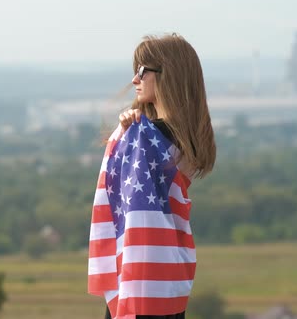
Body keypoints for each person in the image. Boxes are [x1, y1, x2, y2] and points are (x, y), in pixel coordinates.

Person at [88, 33, 216, 319]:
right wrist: (134, 122)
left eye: (143, 71)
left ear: (169, 76)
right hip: (170, 274)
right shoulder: (189, 140)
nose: (135, 79)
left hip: (141, 273)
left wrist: (129, 130)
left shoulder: (145, 137)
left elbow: (123, 187)